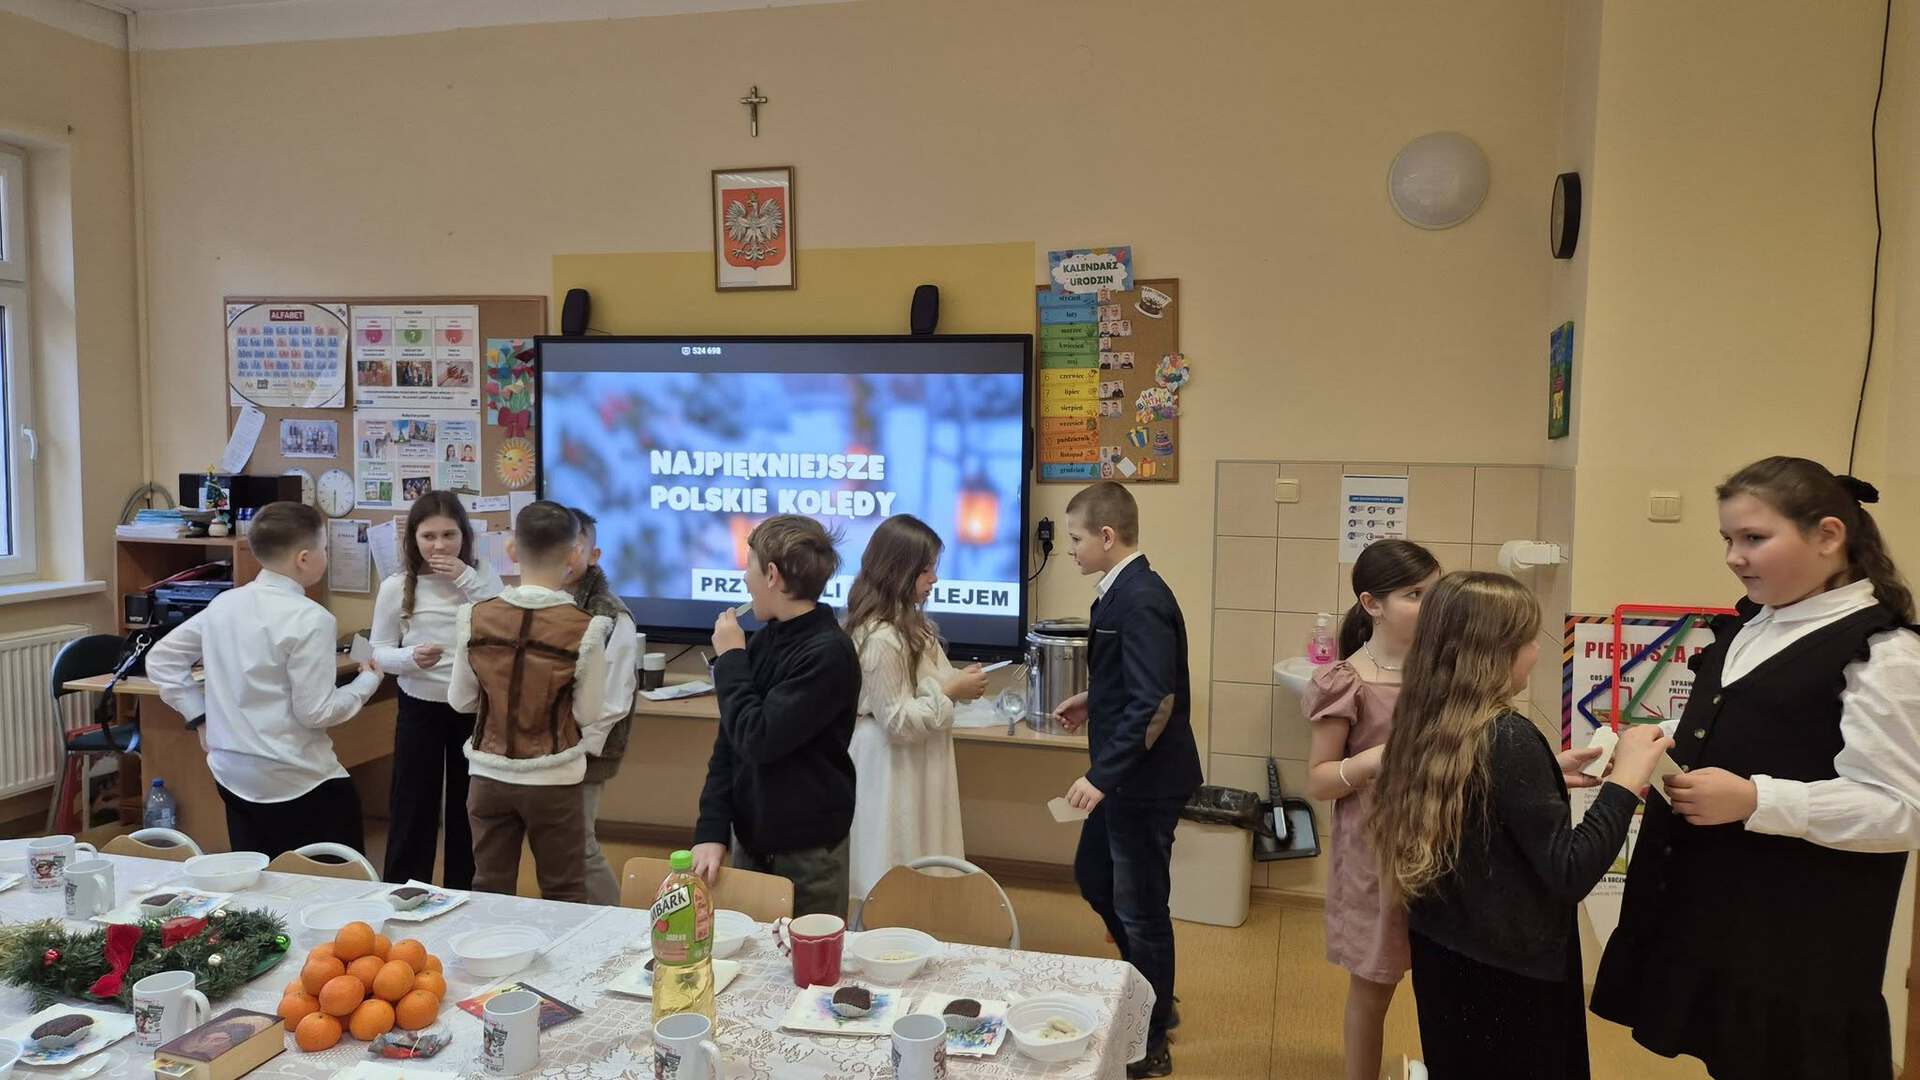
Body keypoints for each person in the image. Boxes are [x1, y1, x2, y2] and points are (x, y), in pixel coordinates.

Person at [1591, 457, 1920, 1080]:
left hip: (1799, 938)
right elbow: (1747, 723)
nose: (1734, 558)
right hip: (1720, 917)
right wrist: (1645, 742)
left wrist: (1758, 801)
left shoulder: (1883, 652)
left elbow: (1903, 811)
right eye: (1727, 539)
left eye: (1754, 538)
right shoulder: (1754, 623)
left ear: (1828, 536)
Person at [1369, 571, 1670, 1078]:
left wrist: (1544, 772)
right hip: (1511, 978)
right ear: (1495, 653)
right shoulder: (1508, 736)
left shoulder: (1428, 716)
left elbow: (1474, 803)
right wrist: (1626, 781)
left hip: (1447, 958)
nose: (1536, 652)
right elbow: (1570, 871)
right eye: (1529, 640)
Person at [1050, 481, 1202, 1079]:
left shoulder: (1140, 598)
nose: (1071, 550)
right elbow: (1136, 681)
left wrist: (1101, 776)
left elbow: (1156, 704)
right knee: (1095, 878)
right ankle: (1145, 986)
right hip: (1124, 777)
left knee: (1141, 909)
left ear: (1107, 536)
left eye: (1076, 539)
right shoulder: (1118, 591)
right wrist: (1093, 699)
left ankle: (1151, 1035)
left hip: (1144, 780)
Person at [145, 501, 383, 854]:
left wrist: (199, 717)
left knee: (261, 873)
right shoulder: (311, 618)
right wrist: (366, 682)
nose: (326, 556)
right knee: (338, 874)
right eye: (325, 549)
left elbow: (162, 659)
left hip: (232, 774)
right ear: (304, 559)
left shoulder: (224, 604)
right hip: (296, 778)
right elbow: (316, 712)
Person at [1301, 539, 1439, 1080]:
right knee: (1374, 988)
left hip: (1443, 843)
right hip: (1374, 854)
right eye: (1414, 594)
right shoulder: (1347, 680)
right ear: (1371, 603)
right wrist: (1372, 762)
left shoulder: (1443, 671)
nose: (1429, 605)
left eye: (1434, 593)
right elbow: (1318, 780)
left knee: (1448, 977)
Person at [447, 500, 622, 902]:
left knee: (489, 888)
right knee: (564, 891)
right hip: (554, 778)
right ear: (573, 555)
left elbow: (460, 700)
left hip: (488, 775)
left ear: (512, 549)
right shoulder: (587, 628)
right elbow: (588, 713)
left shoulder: (474, 616)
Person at [691, 515, 861, 918]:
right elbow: (730, 742)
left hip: (808, 855)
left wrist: (731, 659)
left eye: (749, 565)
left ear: (771, 574)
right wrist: (712, 829)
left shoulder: (828, 652)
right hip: (751, 840)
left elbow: (759, 738)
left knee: (807, 956)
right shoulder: (766, 638)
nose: (744, 578)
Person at [843, 515, 988, 903]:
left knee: (921, 861)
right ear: (898, 570)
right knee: (893, 867)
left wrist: (958, 682)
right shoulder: (881, 637)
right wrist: (952, 690)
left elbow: (927, 683)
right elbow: (897, 720)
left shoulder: (913, 625)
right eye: (925, 570)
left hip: (917, 758)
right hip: (891, 763)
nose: (934, 579)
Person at [369, 491, 502, 888]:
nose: (439, 546)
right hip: (418, 705)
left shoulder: (481, 575)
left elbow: (502, 621)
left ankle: (467, 890)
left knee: (468, 805)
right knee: (413, 803)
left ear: (464, 536)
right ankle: (405, 890)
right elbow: (379, 651)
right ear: (413, 538)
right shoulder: (397, 586)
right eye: (428, 536)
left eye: (449, 535)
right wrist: (409, 658)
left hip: (472, 708)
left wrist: (464, 577)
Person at [564, 507, 639, 906]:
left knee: (580, 843)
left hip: (583, 749)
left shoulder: (610, 614)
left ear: (593, 555)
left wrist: (579, 746)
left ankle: (618, 922)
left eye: (574, 547)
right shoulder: (534, 604)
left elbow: (614, 698)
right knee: (557, 845)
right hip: (537, 749)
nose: (564, 555)